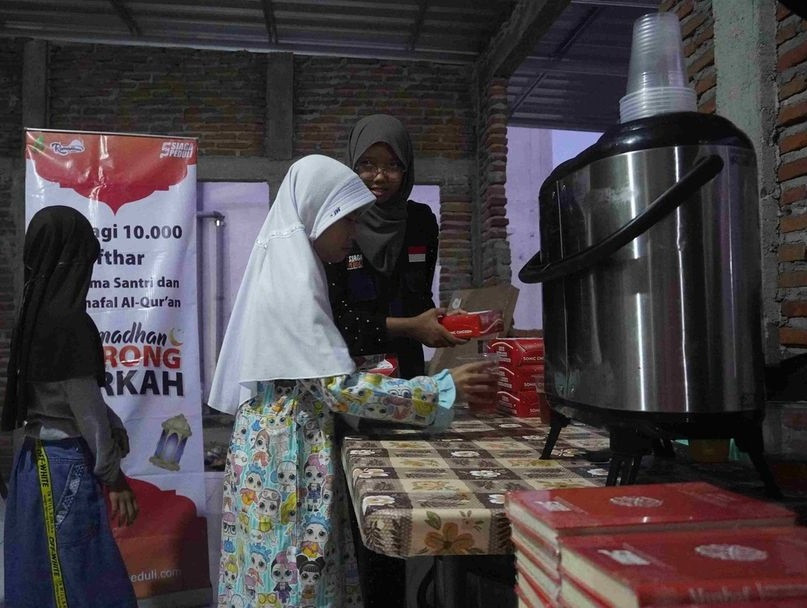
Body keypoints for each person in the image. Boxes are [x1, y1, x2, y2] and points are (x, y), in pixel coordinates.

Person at [207, 155, 497, 608]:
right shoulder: (294, 277)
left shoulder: (290, 265)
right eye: (349, 219)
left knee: (277, 579)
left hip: (277, 446)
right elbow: (339, 388)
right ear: (318, 213)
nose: (355, 232)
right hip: (287, 460)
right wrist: (442, 388)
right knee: (296, 581)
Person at [2, 205, 138, 608]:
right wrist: (114, 478)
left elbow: (74, 397)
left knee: (41, 577)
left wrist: (110, 422)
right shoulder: (69, 322)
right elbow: (85, 410)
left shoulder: (33, 314)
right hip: (65, 468)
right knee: (81, 579)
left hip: (32, 464)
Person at [326, 114, 465, 381]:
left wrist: (444, 321)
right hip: (351, 376)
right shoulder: (338, 222)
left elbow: (420, 296)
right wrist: (413, 327)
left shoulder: (420, 222)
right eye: (367, 163)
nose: (379, 176)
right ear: (352, 166)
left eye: (393, 165)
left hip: (408, 371)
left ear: (406, 168)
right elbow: (335, 319)